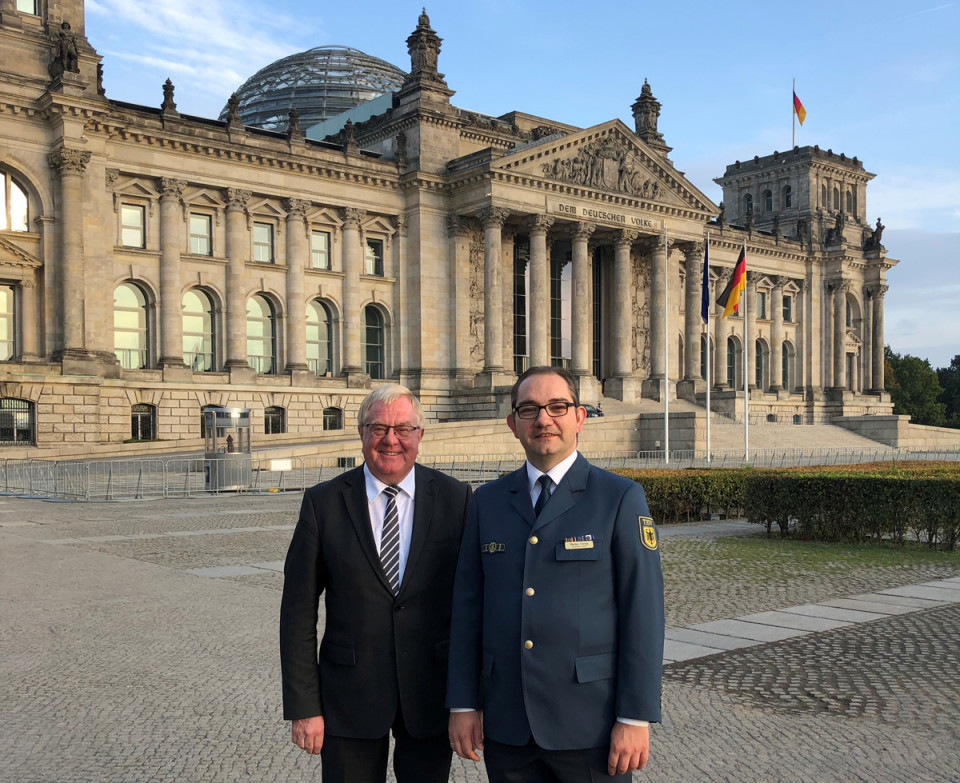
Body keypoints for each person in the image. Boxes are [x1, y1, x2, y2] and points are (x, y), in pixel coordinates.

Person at [447, 366, 664, 782]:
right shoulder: (487, 501)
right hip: (508, 722)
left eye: (557, 407)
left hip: (590, 723)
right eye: (528, 409)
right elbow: (467, 608)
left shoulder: (619, 497)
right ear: (513, 424)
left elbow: (644, 611)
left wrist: (635, 715)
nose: (543, 419)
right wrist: (462, 703)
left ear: (580, 417)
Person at [280, 384, 472, 783]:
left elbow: (473, 605)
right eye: (379, 428)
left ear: (420, 435)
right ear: (361, 433)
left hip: (430, 695)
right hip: (348, 697)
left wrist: (468, 701)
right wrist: (304, 706)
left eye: (403, 429)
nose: (391, 440)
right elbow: (298, 612)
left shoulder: (457, 499)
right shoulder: (323, 503)